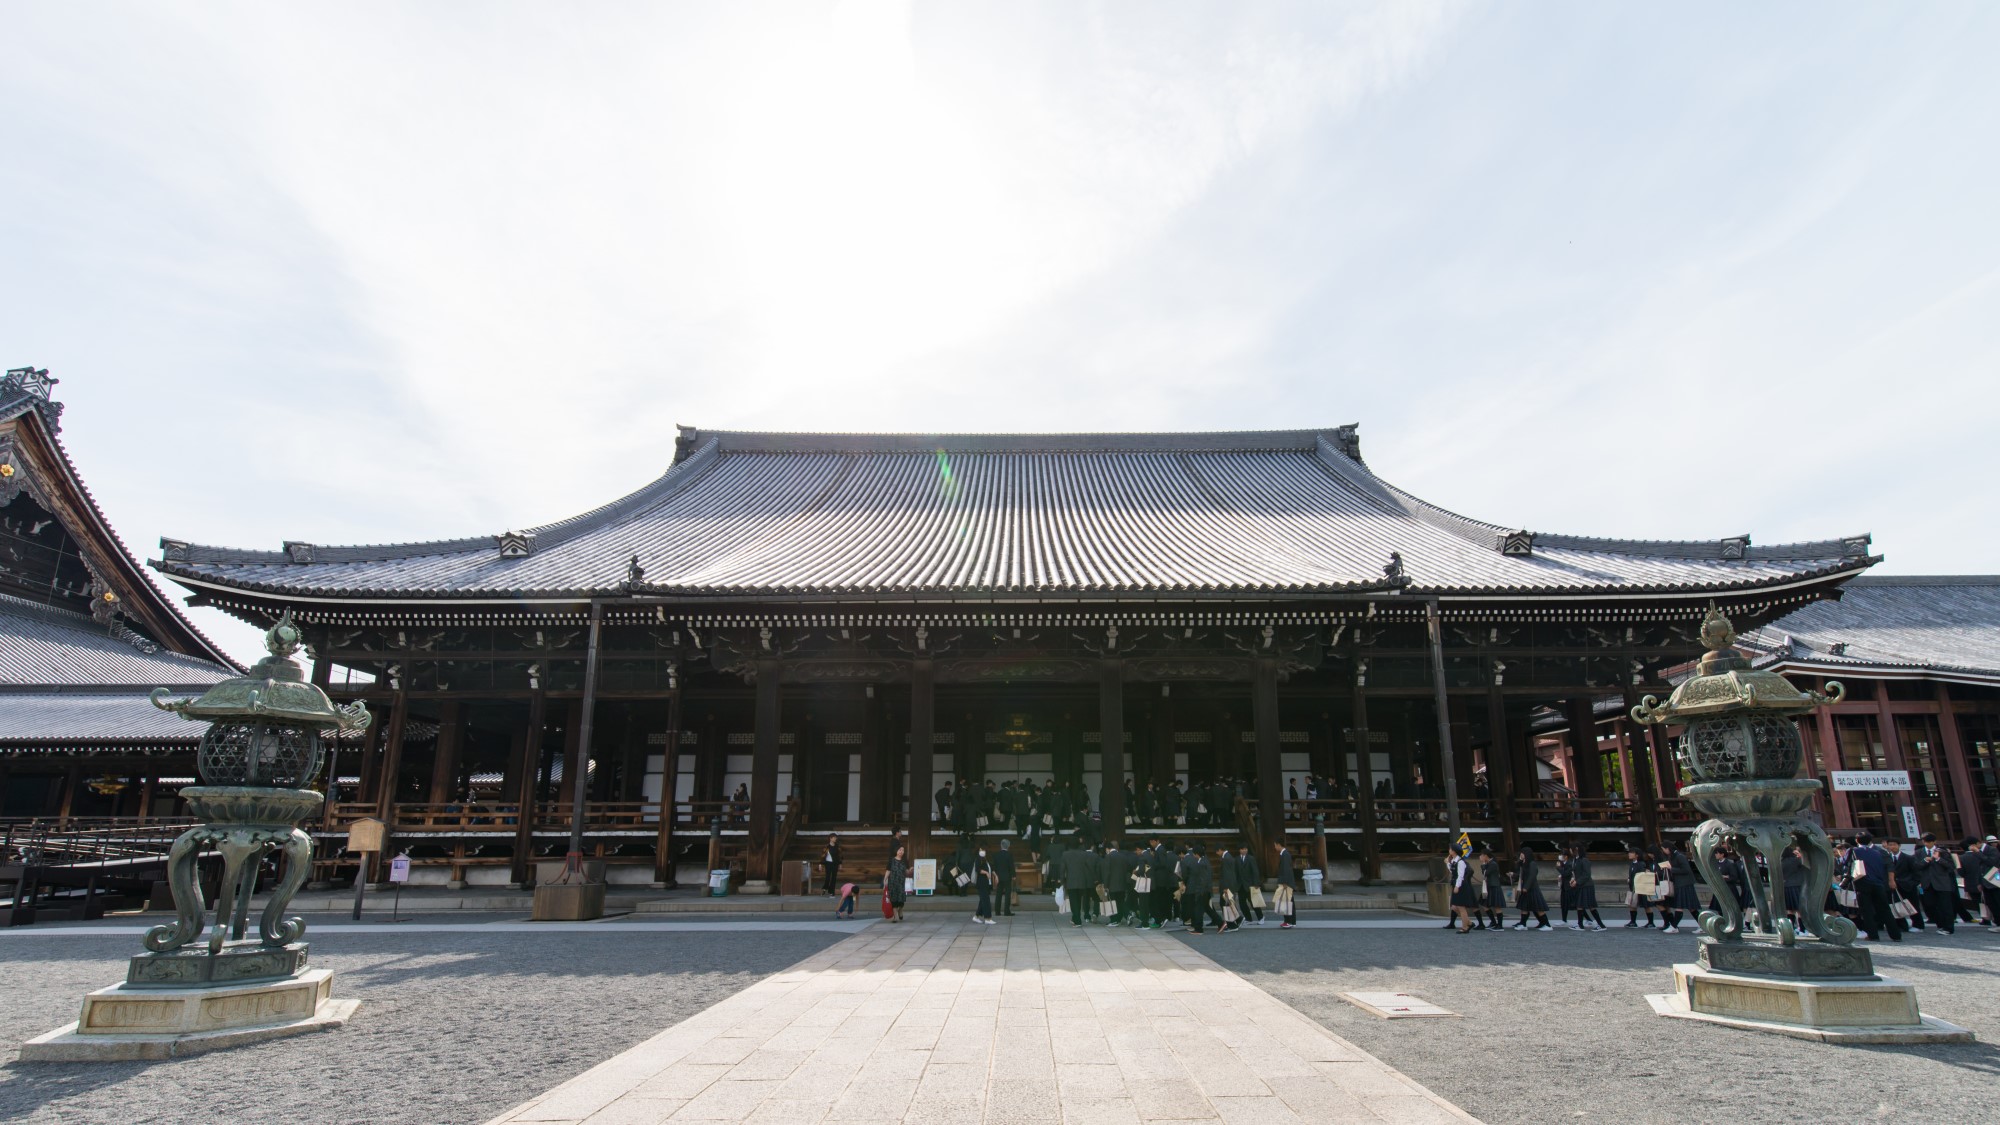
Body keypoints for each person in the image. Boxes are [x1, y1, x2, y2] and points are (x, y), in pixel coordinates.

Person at [1851, 832, 1899, 942]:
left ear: (1857, 841)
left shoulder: (1854, 851)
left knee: (1867, 911)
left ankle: (1873, 935)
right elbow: (1887, 867)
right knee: (1885, 909)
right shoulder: (1878, 852)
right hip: (1878, 883)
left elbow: (1847, 863)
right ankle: (1896, 935)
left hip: (1862, 883)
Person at [1916, 835, 1957, 935]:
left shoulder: (1942, 851)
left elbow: (1951, 866)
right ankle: (1940, 924)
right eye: (1925, 841)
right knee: (1929, 904)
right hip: (1927, 883)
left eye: (1929, 842)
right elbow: (1916, 866)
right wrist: (1925, 861)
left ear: (1934, 841)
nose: (1927, 844)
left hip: (1942, 883)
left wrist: (1938, 859)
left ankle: (1948, 928)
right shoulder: (1919, 852)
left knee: (1945, 906)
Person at [1510, 844, 1552, 930]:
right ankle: (1523, 924)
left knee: (1539, 908)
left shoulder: (1532, 863)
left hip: (1532, 888)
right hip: (1525, 888)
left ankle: (1547, 925)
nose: (1521, 855)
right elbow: (1520, 873)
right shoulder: (1523, 863)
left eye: (1522, 853)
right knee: (1524, 907)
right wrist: (1514, 873)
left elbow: (1532, 876)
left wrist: (1526, 887)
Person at [1062, 836, 1098, 928]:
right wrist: (1094, 878)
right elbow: (1089, 868)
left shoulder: (1065, 854)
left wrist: (1062, 881)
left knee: (1074, 901)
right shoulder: (1084, 854)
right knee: (1078, 900)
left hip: (1071, 881)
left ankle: (1077, 921)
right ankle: (1075, 918)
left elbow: (1062, 869)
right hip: (1082, 881)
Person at [1569, 844, 1605, 931]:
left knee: (1591, 906)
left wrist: (1577, 881)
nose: (1570, 851)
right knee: (1580, 905)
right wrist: (1573, 879)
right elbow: (1576, 873)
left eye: (1571, 849)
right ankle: (1580, 924)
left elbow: (1587, 874)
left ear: (1576, 849)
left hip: (1587, 886)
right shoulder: (1575, 860)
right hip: (1580, 885)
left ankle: (1601, 925)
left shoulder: (1584, 860)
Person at [1624, 845, 1659, 929]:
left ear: (1637, 855)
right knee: (1632, 904)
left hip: (1642, 887)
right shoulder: (1632, 863)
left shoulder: (1641, 864)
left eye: (1631, 853)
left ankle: (1651, 922)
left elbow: (1642, 875)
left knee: (1647, 905)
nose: (1629, 854)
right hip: (1634, 887)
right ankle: (1633, 921)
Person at [1446, 845, 1477, 934]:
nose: (1449, 851)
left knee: (1461, 907)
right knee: (1454, 907)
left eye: (1450, 849)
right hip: (1456, 884)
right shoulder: (1455, 861)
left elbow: (1460, 875)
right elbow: (1453, 871)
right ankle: (1469, 923)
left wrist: (1457, 886)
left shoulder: (1460, 862)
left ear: (1454, 851)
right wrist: (1448, 863)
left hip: (1461, 886)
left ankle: (1465, 927)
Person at [1236, 845, 1266, 926]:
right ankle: (1248, 918)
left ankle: (1261, 917)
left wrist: (1256, 883)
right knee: (1242, 903)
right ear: (1240, 850)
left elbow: (1255, 871)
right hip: (1240, 885)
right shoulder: (1237, 859)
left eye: (1246, 849)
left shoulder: (1251, 858)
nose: (1245, 850)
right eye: (1243, 848)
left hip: (1250, 885)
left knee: (1253, 902)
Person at [1478, 846, 1505, 932]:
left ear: (1486, 855)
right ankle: (1493, 922)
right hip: (1488, 887)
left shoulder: (1493, 864)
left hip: (1494, 886)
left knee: (1497, 906)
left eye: (1482, 855)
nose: (1481, 857)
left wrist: (1483, 863)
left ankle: (1500, 925)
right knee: (1484, 904)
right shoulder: (1489, 863)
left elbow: (1486, 873)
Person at [1274, 842, 1299, 929]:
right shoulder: (1285, 854)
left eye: (1275, 845)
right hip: (1288, 881)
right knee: (1289, 901)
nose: (1275, 847)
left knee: (1287, 901)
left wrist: (1284, 882)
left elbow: (1285, 869)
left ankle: (1288, 921)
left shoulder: (1285, 854)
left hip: (1286, 882)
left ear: (1278, 844)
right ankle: (1292, 921)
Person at [884, 845, 909, 924]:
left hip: (901, 883)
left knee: (901, 899)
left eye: (903, 850)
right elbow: (888, 870)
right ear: (896, 851)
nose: (901, 852)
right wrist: (885, 879)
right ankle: (895, 917)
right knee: (894, 899)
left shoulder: (905, 861)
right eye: (900, 850)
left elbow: (907, 872)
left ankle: (900, 910)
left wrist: (910, 870)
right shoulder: (891, 860)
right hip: (893, 883)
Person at [972, 846, 997, 925]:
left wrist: (996, 876)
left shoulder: (986, 860)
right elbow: (977, 869)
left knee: (982, 901)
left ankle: (976, 917)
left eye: (983, 850)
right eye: (980, 850)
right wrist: (986, 873)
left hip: (987, 884)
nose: (982, 851)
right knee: (986, 901)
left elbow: (991, 869)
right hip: (981, 883)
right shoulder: (978, 859)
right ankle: (987, 918)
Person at [994, 838, 1017, 917]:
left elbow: (995, 867)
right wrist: (1014, 876)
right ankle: (1006, 911)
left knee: (998, 894)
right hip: (1007, 877)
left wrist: (996, 876)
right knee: (1007, 894)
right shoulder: (1009, 855)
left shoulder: (996, 855)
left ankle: (997, 911)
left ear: (1001, 845)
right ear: (1008, 846)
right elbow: (1011, 866)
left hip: (999, 877)